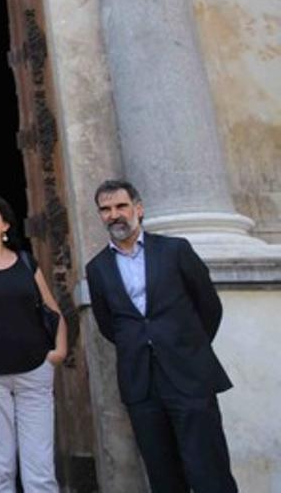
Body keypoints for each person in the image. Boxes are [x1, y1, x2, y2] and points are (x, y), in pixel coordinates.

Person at [85, 179, 237, 492]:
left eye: (121, 206)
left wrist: (185, 347)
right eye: (106, 209)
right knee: (163, 475)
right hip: (142, 383)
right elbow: (108, 325)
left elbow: (209, 306)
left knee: (209, 470)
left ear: (138, 209)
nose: (115, 215)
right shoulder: (97, 268)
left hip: (189, 376)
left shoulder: (175, 250)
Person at [0, 193, 66, 493]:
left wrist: (57, 352)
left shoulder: (25, 262)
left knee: (40, 470)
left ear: (5, 224)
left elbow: (52, 310)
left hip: (35, 373)